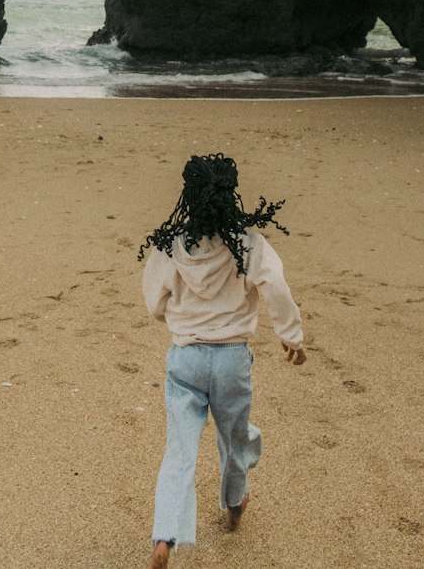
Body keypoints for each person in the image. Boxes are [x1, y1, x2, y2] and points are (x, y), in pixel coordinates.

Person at [139, 153, 306, 567]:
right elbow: (275, 285)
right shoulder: (248, 242)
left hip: (187, 357)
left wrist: (175, 318)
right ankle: (234, 504)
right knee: (234, 439)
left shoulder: (174, 244)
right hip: (232, 358)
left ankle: (164, 536)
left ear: (189, 197)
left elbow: (153, 301)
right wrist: (291, 336)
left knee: (179, 449)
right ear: (230, 195)